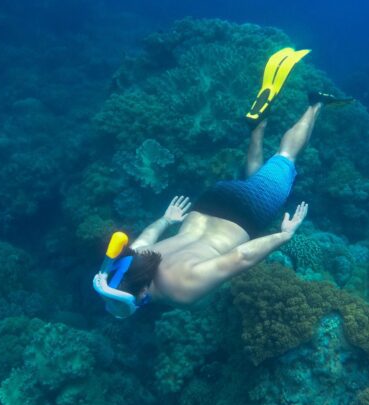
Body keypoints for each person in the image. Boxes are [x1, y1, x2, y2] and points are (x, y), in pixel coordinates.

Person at [93, 48, 353, 318]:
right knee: (254, 180)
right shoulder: (133, 260)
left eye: (123, 305)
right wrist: (166, 220)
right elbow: (146, 237)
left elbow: (239, 258)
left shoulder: (180, 291)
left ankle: (317, 103)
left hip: (246, 214)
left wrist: (283, 237)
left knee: (286, 157)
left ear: (140, 295)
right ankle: (257, 126)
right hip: (210, 201)